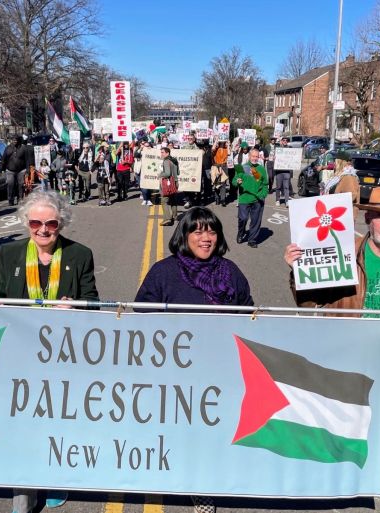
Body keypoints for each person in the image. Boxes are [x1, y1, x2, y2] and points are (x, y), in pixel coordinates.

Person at [284, 187, 380, 498]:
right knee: (341, 419)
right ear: (368, 218)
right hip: (347, 357)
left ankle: (379, 471)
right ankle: (335, 472)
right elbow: (309, 303)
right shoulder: (343, 253)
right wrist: (297, 270)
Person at [0, 190, 99, 513]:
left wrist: (77, 305)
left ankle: (56, 476)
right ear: (26, 223)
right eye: (36, 223)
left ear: (61, 224)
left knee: (57, 419)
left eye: (51, 223)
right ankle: (23, 493)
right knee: (22, 421)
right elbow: (2, 290)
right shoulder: (10, 253)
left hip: (63, 352)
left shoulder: (79, 255)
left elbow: (93, 300)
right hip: (20, 352)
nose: (43, 230)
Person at [135, 206, 253, 513]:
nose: (206, 238)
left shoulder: (230, 272)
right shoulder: (164, 272)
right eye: (197, 231)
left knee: (211, 432)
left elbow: (249, 312)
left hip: (219, 369)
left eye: (211, 231)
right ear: (184, 236)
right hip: (176, 370)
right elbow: (141, 314)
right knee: (177, 430)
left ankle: (202, 487)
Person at [234, 147, 268, 248]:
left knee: (256, 221)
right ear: (249, 156)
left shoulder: (261, 169)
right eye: (253, 156)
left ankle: (252, 240)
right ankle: (241, 233)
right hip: (244, 198)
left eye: (256, 156)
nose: (255, 158)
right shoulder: (242, 167)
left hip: (258, 199)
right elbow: (234, 181)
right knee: (243, 218)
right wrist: (237, 182)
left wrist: (263, 194)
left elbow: (265, 184)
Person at [1, 134, 34, 206]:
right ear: (11, 140)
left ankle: (20, 198)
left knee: (21, 184)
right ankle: (10, 200)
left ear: (19, 140)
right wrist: (1, 169)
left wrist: (28, 170)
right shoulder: (7, 148)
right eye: (13, 140)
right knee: (10, 184)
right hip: (10, 170)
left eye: (16, 140)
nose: (15, 141)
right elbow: (3, 159)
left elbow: (27, 160)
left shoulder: (23, 148)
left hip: (21, 170)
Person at [159, 146, 179, 226]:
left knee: (164, 201)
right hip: (175, 182)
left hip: (168, 183)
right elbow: (178, 172)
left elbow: (167, 173)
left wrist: (160, 174)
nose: (161, 154)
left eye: (162, 152)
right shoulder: (174, 160)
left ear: (167, 153)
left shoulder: (166, 161)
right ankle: (175, 217)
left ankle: (167, 219)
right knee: (173, 200)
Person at [272, 136, 292, 206]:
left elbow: (294, 158)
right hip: (279, 171)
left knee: (286, 187)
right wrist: (274, 158)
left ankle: (287, 201)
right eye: (284, 140)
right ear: (282, 141)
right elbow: (274, 158)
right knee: (278, 187)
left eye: (286, 140)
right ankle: (277, 200)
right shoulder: (278, 149)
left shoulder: (290, 149)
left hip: (286, 171)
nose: (285, 141)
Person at [211, 140, 229, 206]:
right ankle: (217, 198)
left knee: (223, 183)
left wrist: (228, 144)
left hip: (224, 166)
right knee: (216, 183)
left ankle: (223, 200)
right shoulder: (216, 148)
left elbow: (229, 153)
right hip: (216, 166)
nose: (222, 142)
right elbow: (213, 149)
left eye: (223, 142)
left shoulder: (226, 148)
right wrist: (216, 140)